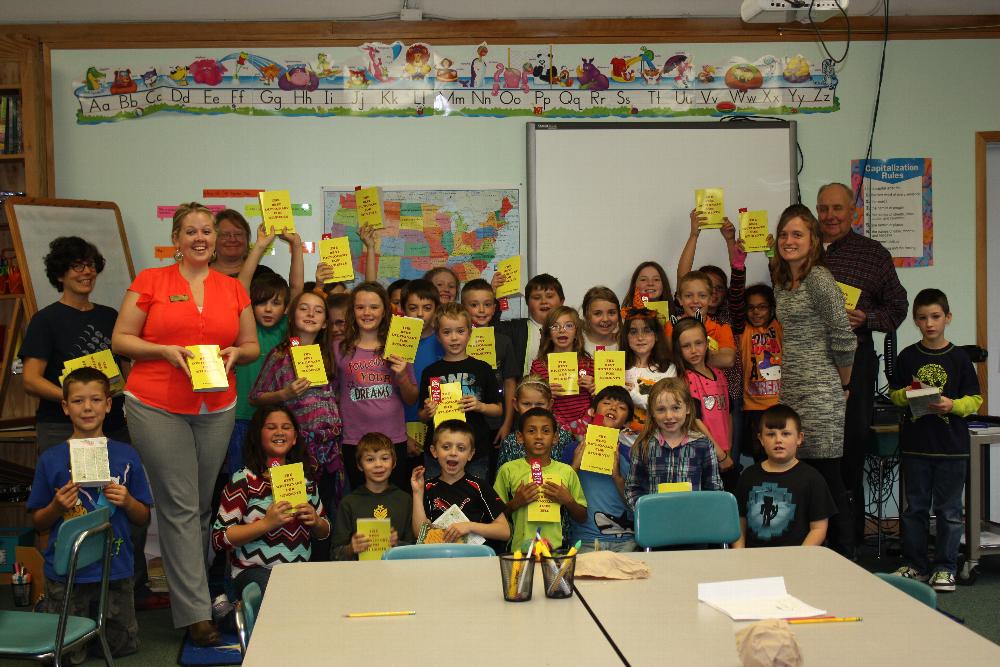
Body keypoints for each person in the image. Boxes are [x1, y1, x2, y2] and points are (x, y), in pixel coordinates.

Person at [112, 202, 259, 645]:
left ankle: (190, 597)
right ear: (176, 239)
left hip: (216, 406)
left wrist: (237, 354)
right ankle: (196, 613)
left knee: (198, 508)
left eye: (207, 231)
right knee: (179, 505)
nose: (200, 238)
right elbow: (121, 339)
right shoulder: (150, 281)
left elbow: (251, 345)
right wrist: (162, 351)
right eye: (191, 231)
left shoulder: (232, 288)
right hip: (156, 403)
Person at [27, 368, 153, 659]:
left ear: (108, 405)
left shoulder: (127, 455)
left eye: (95, 400)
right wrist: (56, 506)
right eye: (78, 401)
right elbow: (38, 522)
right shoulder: (51, 459)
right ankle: (47, 609)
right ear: (65, 407)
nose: (87, 408)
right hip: (68, 571)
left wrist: (127, 501)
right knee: (67, 655)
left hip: (115, 568)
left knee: (122, 648)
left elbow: (143, 517)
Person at [816, 182, 908, 547]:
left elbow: (898, 308)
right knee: (811, 446)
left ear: (853, 212)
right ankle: (813, 538)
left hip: (856, 361)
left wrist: (866, 318)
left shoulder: (873, 254)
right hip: (810, 363)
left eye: (837, 208)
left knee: (850, 445)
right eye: (823, 208)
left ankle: (849, 541)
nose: (830, 216)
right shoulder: (803, 250)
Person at [771, 203, 856, 557]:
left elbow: (844, 337)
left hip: (822, 392)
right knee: (800, 477)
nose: (789, 241)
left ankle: (846, 555)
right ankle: (812, 556)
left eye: (797, 234)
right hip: (792, 391)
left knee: (827, 479)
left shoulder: (819, 278)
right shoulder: (782, 280)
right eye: (784, 234)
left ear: (813, 240)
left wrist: (844, 385)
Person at [889, 289, 981, 592]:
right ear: (915, 321)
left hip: (952, 449)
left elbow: (975, 400)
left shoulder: (960, 358)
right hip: (916, 447)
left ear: (947, 318)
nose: (929, 323)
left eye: (935, 317)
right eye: (922, 318)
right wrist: (907, 395)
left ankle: (945, 568)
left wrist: (952, 405)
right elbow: (894, 394)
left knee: (949, 512)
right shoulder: (908, 356)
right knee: (914, 509)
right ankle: (915, 565)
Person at [22, 236, 129, 449]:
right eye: (77, 266)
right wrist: (78, 400)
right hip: (62, 427)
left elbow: (127, 372)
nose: (87, 272)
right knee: (64, 474)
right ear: (60, 275)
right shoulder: (45, 320)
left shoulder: (110, 316)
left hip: (112, 425)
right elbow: (31, 380)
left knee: (119, 472)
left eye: (91, 265)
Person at [212, 406, 330, 597]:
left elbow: (325, 532)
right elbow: (220, 538)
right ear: (258, 436)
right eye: (271, 427)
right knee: (276, 594)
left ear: (294, 438)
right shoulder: (244, 480)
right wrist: (266, 524)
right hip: (253, 572)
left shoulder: (305, 480)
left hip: (299, 571)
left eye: (286, 427)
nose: (280, 432)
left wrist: (316, 521)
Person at [250, 290, 344, 512]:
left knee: (324, 508)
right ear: (291, 317)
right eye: (304, 308)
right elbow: (255, 397)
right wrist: (284, 394)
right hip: (294, 448)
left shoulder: (330, 355)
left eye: (318, 311)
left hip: (329, 449)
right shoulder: (279, 355)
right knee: (294, 508)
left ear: (325, 323)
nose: (311, 314)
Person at [333, 282, 418, 491]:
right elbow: (332, 393)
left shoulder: (398, 345)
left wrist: (402, 376)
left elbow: (411, 398)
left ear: (384, 311)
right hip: (355, 440)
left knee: (394, 500)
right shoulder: (338, 346)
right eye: (360, 307)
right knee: (361, 500)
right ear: (352, 311)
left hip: (392, 439)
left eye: (374, 307)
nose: (367, 313)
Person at [733, 403, 836, 548]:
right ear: (761, 439)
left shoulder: (812, 478)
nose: (778, 440)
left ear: (799, 438)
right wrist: (739, 553)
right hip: (753, 557)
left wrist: (799, 556)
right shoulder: (748, 476)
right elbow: (739, 521)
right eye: (771, 434)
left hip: (796, 557)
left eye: (785, 434)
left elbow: (818, 529)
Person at [418, 303, 501, 479]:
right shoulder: (430, 372)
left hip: (475, 451)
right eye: (447, 332)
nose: (454, 338)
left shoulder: (483, 368)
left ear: (470, 333)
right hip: (438, 453)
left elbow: (498, 409)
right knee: (437, 494)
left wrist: (480, 406)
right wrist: (428, 410)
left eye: (460, 331)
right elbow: (422, 416)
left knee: (474, 494)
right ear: (438, 336)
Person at [494, 407, 587, 550]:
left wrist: (568, 500)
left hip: (555, 550)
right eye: (531, 431)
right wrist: (515, 503)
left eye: (546, 431)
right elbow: (493, 515)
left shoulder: (567, 471)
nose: (539, 436)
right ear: (520, 437)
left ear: (555, 438)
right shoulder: (507, 470)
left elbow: (582, 517)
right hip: (519, 551)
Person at [409, 419, 510, 550]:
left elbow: (504, 531)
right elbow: (419, 534)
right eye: (446, 447)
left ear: (470, 454)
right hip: (439, 557)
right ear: (434, 451)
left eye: (461, 448)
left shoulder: (480, 486)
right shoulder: (427, 488)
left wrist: (469, 526)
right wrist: (417, 492)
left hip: (474, 558)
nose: (453, 453)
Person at [227, 272, 292, 476]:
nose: (268, 309)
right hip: (242, 417)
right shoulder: (246, 327)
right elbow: (241, 287)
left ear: (286, 307)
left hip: (276, 421)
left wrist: (297, 252)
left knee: (278, 479)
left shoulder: (286, 328)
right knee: (241, 477)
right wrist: (257, 251)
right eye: (261, 302)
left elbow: (297, 288)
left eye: (276, 303)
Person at [625, 377, 722, 509]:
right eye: (661, 409)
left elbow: (714, 489)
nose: (669, 416)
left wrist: (702, 514)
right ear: (652, 412)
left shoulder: (703, 445)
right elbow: (632, 488)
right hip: (655, 519)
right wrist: (647, 513)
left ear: (688, 408)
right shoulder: (644, 445)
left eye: (676, 408)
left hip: (693, 519)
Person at [569, 386, 637, 552]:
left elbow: (636, 503)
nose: (613, 408)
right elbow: (561, 494)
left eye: (621, 407)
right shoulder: (572, 450)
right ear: (592, 411)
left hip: (626, 541)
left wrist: (617, 477)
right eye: (607, 403)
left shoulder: (631, 455)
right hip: (585, 540)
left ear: (627, 423)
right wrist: (575, 466)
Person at [672, 317, 736, 490]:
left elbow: (728, 414)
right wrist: (720, 454)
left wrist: (727, 449)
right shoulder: (686, 379)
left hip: (724, 452)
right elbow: (695, 420)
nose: (694, 350)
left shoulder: (719, 374)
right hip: (702, 455)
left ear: (707, 343)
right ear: (678, 349)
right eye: (686, 346)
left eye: (698, 343)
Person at [331, 432, 415, 560]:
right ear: (360, 465)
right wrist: (351, 548)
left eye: (384, 458)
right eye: (370, 459)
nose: (378, 465)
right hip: (360, 571)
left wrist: (397, 544)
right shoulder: (348, 503)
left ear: (394, 462)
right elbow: (334, 554)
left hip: (396, 570)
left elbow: (415, 548)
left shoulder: (405, 500)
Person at [461, 278, 519, 450]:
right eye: (474, 305)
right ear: (463, 308)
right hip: (463, 420)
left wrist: (507, 423)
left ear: (494, 308)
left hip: (495, 422)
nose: (481, 310)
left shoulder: (503, 341)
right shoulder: (457, 341)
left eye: (487, 305)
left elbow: (510, 384)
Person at [732, 284, 782, 462]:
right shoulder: (744, 331)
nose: (756, 312)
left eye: (762, 307)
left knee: (782, 455)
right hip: (754, 408)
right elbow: (735, 303)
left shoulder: (779, 327)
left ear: (771, 308)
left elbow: (782, 292)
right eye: (751, 307)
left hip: (780, 404)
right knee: (760, 457)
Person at [529, 306, 595, 433]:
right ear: (548, 335)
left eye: (568, 325)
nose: (561, 330)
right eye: (555, 326)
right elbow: (531, 400)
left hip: (584, 427)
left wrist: (594, 388)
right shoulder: (539, 365)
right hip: (551, 427)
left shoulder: (588, 364)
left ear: (576, 333)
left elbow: (600, 401)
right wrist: (544, 393)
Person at [401, 279, 444, 464]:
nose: (420, 313)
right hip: (401, 428)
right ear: (403, 309)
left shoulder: (445, 341)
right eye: (413, 308)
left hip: (439, 427)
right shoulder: (396, 343)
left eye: (427, 308)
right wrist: (402, 433)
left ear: (436, 309)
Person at [497, 375, 578, 468]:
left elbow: (570, 473)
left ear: (550, 404)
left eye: (539, 404)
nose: (533, 409)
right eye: (526, 404)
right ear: (515, 404)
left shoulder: (563, 438)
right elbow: (502, 474)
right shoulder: (509, 442)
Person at [496, 273, 565, 378]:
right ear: (527, 303)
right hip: (525, 386)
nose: (544, 301)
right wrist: (493, 295)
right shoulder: (516, 328)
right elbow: (492, 327)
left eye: (550, 296)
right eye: (537, 297)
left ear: (561, 301)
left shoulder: (572, 330)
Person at [664, 270, 736, 370]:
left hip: (712, 380)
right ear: (680, 299)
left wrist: (686, 355)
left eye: (702, 296)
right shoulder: (672, 325)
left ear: (710, 299)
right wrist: (711, 356)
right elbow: (670, 357)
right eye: (688, 296)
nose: (695, 301)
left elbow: (728, 360)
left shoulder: (722, 327)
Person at [621, 308, 676, 433]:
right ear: (626, 337)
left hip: (658, 440)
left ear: (656, 335)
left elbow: (664, 404)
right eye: (633, 332)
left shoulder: (668, 369)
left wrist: (631, 394)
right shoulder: (618, 367)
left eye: (647, 331)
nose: (640, 337)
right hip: (622, 441)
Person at [580, 286, 621, 354]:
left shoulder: (625, 344)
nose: (605, 319)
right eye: (597, 313)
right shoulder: (577, 343)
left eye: (611, 313)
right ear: (586, 316)